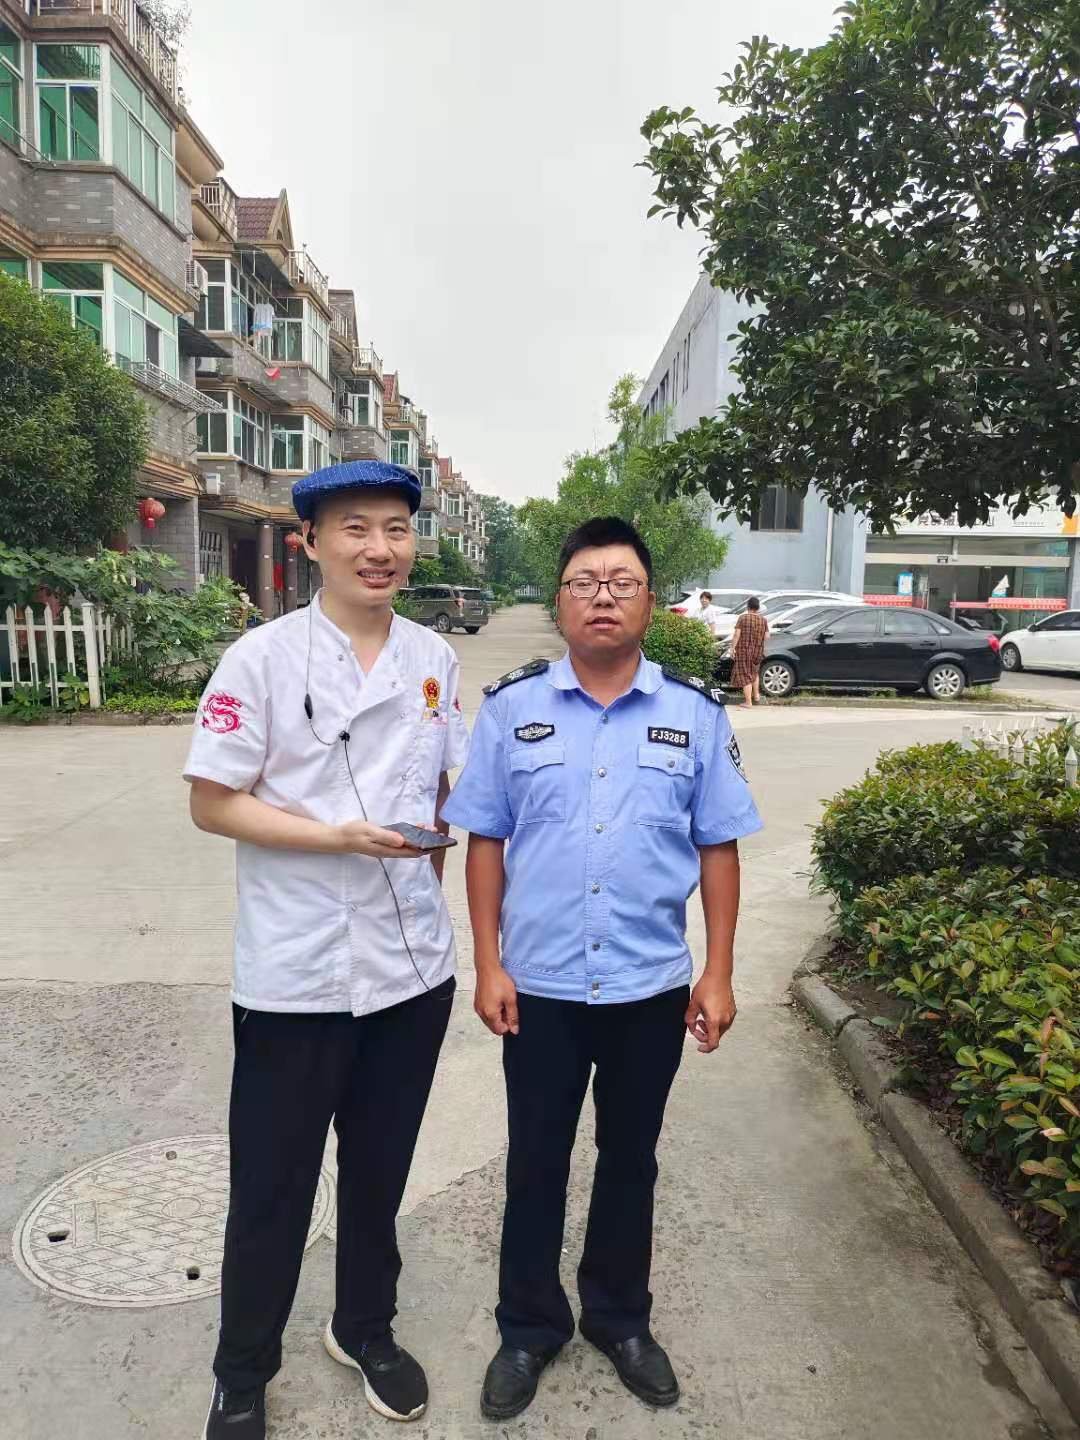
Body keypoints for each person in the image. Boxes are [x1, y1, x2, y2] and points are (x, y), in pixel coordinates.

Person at [441, 516, 763, 1422]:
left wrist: (719, 972)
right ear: (560, 602)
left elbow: (719, 846)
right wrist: (487, 963)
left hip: (648, 988)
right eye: (585, 582)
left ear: (650, 602)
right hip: (540, 986)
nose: (603, 598)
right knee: (535, 1161)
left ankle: (620, 1319)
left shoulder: (695, 715)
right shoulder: (512, 709)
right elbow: (485, 840)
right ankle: (528, 1328)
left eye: (622, 582)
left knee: (630, 1160)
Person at [183, 460, 468, 1439]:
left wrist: (433, 882)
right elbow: (211, 803)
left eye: (396, 528)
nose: (379, 549)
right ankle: (241, 1372)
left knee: (379, 1174)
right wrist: (336, 838)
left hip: (411, 973)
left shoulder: (435, 657)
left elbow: (443, 794)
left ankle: (364, 1328)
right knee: (272, 1187)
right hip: (295, 973)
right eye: (355, 528)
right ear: (310, 543)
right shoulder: (260, 659)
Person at [729, 595, 769, 708]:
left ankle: (748, 702)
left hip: (744, 651)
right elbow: (767, 636)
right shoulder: (763, 620)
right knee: (754, 673)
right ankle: (756, 696)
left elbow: (737, 635)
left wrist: (732, 648)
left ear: (748, 606)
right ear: (758, 607)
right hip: (758, 651)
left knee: (745, 675)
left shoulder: (742, 618)